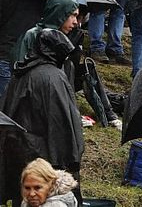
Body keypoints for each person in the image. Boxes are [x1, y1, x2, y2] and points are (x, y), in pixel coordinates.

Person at [0, 26, 83, 205]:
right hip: (45, 156)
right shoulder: (53, 78)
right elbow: (61, 124)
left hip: (18, 151)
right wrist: (69, 159)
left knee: (23, 197)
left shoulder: (20, 73)